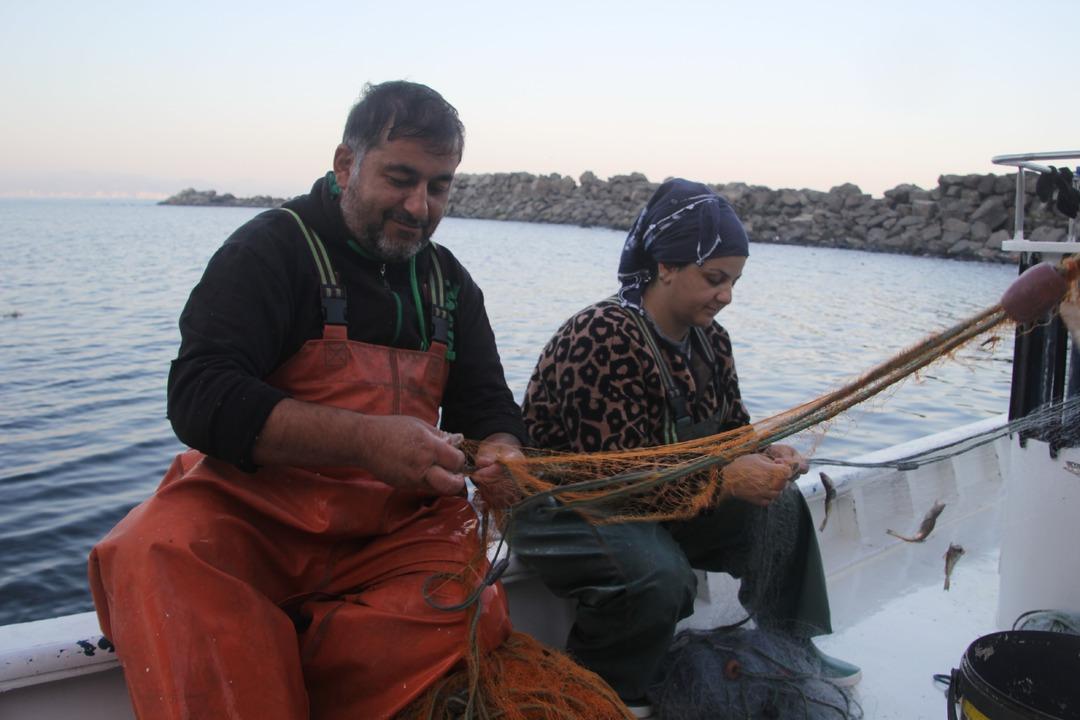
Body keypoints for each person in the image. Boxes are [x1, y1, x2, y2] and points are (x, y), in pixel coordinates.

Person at [88, 81, 527, 720]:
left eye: (439, 187)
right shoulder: (271, 249)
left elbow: (486, 405)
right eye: (400, 178)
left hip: (395, 531)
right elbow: (199, 394)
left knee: (468, 609)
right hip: (255, 518)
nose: (418, 206)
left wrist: (504, 450)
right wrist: (365, 441)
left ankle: (273, 669)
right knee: (154, 550)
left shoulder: (449, 282)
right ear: (346, 164)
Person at [512, 179, 861, 717]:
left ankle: (793, 644)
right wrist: (724, 480)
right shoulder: (601, 335)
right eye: (714, 279)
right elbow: (611, 480)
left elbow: (733, 433)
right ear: (666, 266)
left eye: (734, 282)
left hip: (663, 498)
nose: (727, 296)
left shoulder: (710, 339)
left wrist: (770, 455)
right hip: (567, 506)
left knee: (783, 507)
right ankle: (608, 689)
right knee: (657, 574)